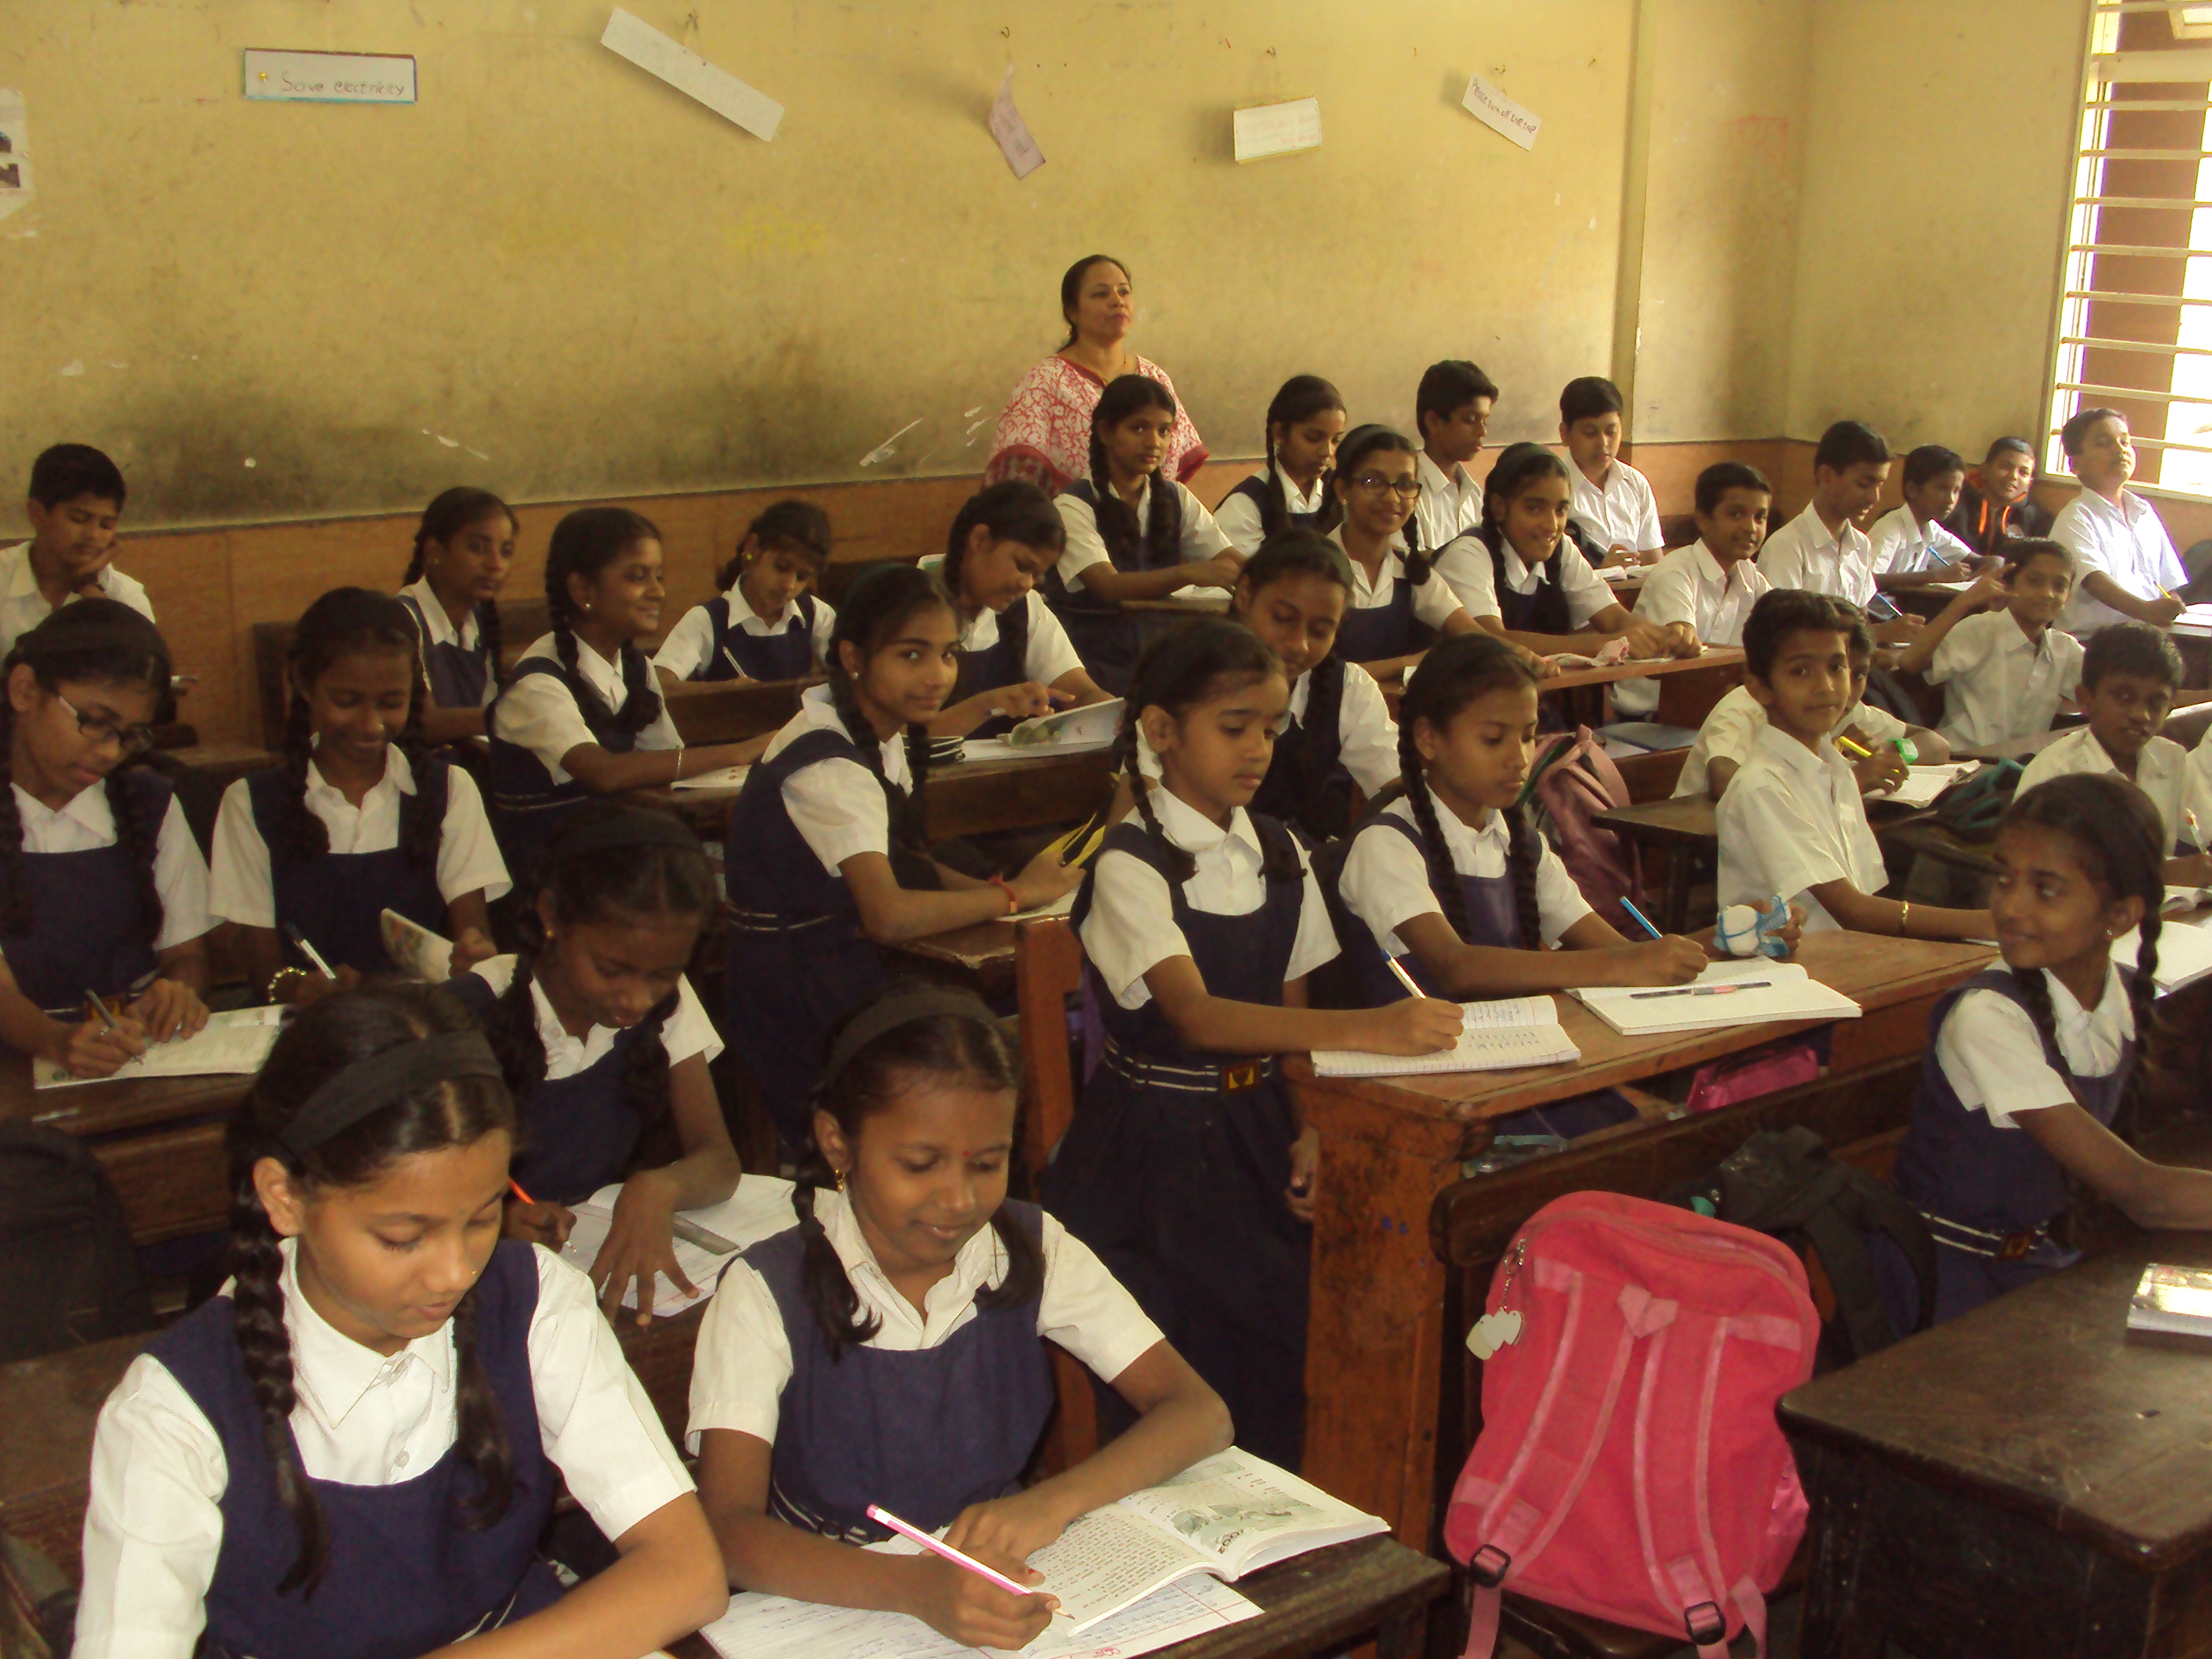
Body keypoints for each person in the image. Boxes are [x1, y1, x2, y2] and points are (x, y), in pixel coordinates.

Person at [71, 985, 726, 1659]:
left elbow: (686, 1572)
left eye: (482, 1219)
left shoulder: (534, 1304)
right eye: (402, 1238)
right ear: (285, 1197)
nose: (454, 1273)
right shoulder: (174, 1409)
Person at [689, 984, 1232, 1652]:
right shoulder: (765, 1291)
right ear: (837, 1143)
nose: (958, 1199)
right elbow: (727, 1531)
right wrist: (917, 1589)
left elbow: (1200, 1413)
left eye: (987, 1164)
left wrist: (1051, 1502)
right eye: (921, 1165)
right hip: (832, 1601)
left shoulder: (1031, 1248)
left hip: (996, 1579)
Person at [1042, 621, 1464, 1469]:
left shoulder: (1280, 850)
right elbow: (1197, 1017)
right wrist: (1374, 1029)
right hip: (1151, 1157)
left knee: (1298, 1346)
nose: (1258, 750)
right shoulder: (1130, 863)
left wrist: (1313, 1125)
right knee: (1191, 1358)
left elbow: (1288, 1014)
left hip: (1259, 1128)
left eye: (1270, 728)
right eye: (1234, 727)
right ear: (1161, 731)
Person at [722, 565, 1081, 1151]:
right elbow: (887, 914)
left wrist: (1005, 898)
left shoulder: (878, 734)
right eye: (912, 655)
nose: (938, 675)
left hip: (849, 964)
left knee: (1034, 995)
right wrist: (1019, 895)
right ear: (853, 657)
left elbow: (908, 864)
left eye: (948, 654)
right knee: (995, 1039)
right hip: (801, 995)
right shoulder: (830, 763)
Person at [1881, 774, 2212, 1328]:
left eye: (2046, 889)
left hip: (2038, 1264)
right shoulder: (1987, 1018)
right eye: (2004, 878)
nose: (2010, 907)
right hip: (1944, 1288)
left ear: (2121, 916)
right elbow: (2140, 1192)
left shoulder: (2122, 998)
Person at [448, 805, 740, 1322]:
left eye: (662, 975)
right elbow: (404, 1194)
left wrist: (658, 1187)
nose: (637, 999)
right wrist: (494, 1222)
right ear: (550, 915)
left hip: (577, 1275)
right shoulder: (469, 1014)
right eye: (611, 970)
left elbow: (718, 1159)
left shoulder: (664, 998)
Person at [1333, 633, 1708, 1004]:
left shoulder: (1524, 844)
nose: (1520, 758)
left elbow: (1616, 950)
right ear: (1429, 739)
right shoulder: (1385, 844)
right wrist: (1627, 964)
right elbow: (1457, 969)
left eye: (1528, 736)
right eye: (1493, 739)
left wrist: (1706, 945)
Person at [211, 589, 507, 1004]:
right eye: (347, 702)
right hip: (309, 1029)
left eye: (391, 703)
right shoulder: (251, 803)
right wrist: (300, 986)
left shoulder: (450, 791)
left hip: (421, 1022)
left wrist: (473, 958)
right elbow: (266, 977)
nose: (370, 725)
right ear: (304, 685)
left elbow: (472, 935)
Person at [0, 601, 210, 1077]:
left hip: (133, 1064)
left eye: (131, 735)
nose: (111, 752)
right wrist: (56, 1040)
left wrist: (177, 994)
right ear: (25, 690)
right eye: (95, 722)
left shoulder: (150, 805)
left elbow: (187, 955)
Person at [486, 507, 759, 873]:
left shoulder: (636, 668)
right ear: (583, 590)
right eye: (637, 577)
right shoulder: (537, 684)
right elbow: (604, 772)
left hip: (619, 861)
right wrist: (742, 751)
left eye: (659, 576)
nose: (658, 592)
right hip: (558, 880)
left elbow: (665, 760)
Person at [1716, 589, 1990, 937]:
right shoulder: (1763, 787)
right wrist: (1988, 924)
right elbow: (1852, 911)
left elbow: (1866, 893)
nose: (1826, 687)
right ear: (1760, 689)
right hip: (1794, 962)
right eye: (1801, 671)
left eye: (1837, 667)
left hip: (1851, 949)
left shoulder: (1836, 767)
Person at [1044, 374, 1240, 694]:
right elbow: (1109, 586)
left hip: (1162, 654)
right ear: (1105, 432)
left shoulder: (1176, 497)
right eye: (1138, 429)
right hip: (1094, 660)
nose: (1154, 442)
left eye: (1164, 431)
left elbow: (1230, 559)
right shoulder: (1072, 505)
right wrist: (1188, 573)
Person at [1224, 531, 1401, 842]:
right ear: (1245, 595)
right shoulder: (1189, 675)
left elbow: (1397, 787)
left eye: (1320, 631)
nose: (1299, 645)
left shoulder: (1347, 688)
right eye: (1283, 618)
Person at [982, 255, 1207, 495]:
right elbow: (1016, 477)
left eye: (1124, 292)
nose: (1118, 301)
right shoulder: (1044, 383)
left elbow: (1172, 467)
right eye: (1101, 294)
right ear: (1073, 311)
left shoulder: (1154, 378)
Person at [1678, 606, 1950, 800]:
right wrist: (1851, 781)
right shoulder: (1747, 706)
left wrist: (1892, 751)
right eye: (1806, 671)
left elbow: (1937, 745)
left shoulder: (1847, 710)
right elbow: (1724, 782)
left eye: (1856, 675)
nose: (1838, 688)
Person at [1436, 441, 1674, 661]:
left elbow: (1615, 619)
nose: (1552, 525)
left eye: (1561, 510)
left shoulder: (1561, 549)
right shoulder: (1469, 553)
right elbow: (1491, 641)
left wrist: (1668, 639)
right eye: (1534, 509)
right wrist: (1606, 643)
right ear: (1499, 507)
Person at [2016, 622, 2212, 883]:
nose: (2141, 715)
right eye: (2124, 697)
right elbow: (2041, 874)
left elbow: (2201, 829)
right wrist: (2160, 874)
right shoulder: (2057, 772)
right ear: (2086, 699)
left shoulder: (2170, 759)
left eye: (2156, 703)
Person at [930, 480, 1110, 739]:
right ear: (980, 540)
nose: (1027, 584)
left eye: (1036, 576)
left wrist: (1116, 716)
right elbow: (901, 735)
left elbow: (1080, 695)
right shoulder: (914, 610)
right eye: (1022, 566)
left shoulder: (1026, 609)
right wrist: (986, 706)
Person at [1322, 424, 1481, 684]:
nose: (1392, 498)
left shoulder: (1410, 569)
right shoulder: (1314, 568)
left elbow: (1473, 636)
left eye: (1405, 485)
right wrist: (1410, 662)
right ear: (1342, 490)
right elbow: (1311, 676)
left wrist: (1521, 655)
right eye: (1373, 482)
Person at [1618, 461, 1774, 717]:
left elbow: (1782, 629)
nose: (1751, 528)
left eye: (1760, 517)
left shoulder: (1751, 576)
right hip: (1654, 717)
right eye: (1736, 515)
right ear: (1703, 520)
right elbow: (1685, 645)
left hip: (1713, 709)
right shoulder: (1676, 571)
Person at [1758, 421, 1919, 647]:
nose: (1874, 498)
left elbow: (1861, 623)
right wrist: (1879, 634)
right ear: (1827, 476)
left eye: (1880, 486)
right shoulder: (1786, 547)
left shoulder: (1861, 545)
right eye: (1864, 484)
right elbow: (1786, 639)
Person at [1919, 538, 2083, 752]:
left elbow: (2098, 690)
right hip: (1961, 756)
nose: (2048, 594)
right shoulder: (1981, 629)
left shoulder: (2065, 649)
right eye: (2034, 581)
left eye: (2060, 586)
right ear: (2007, 584)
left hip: (2018, 764)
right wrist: (1964, 602)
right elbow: (1914, 664)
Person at [653, 500, 836, 685]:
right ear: (752, 548)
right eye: (781, 567)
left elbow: (846, 675)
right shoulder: (706, 620)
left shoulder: (817, 614)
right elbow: (660, 685)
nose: (789, 585)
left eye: (802, 577)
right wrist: (724, 690)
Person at [0, 444, 153, 659]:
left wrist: (88, 585)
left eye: (106, 525)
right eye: (79, 519)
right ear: (37, 513)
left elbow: (140, 669)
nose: (93, 535)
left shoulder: (124, 595)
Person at [2051, 407, 2190, 637]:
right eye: (2103, 443)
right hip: (2093, 641)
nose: (2120, 449)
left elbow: (2167, 584)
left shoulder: (2144, 513)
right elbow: (2094, 581)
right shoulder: (2076, 517)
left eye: (2125, 442)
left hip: (2146, 635)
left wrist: (2171, 607)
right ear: (2075, 464)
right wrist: (2146, 611)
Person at [396, 486, 514, 743]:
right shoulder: (403, 620)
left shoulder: (480, 621)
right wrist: (519, 716)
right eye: (477, 548)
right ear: (434, 551)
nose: (496, 565)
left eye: (505, 552)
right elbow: (423, 722)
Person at [1212, 375, 1347, 557]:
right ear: (1279, 433)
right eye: (1313, 438)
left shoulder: (1342, 495)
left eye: (1335, 440)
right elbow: (1241, 572)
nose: (1327, 451)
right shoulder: (1245, 504)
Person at [1558, 376, 1663, 568]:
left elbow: (1653, 562)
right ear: (1565, 434)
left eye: (1611, 432)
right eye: (1590, 433)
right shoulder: (1553, 487)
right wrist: (1602, 571)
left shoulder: (1635, 482)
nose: (1603, 443)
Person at [1869, 445, 1994, 588]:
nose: (1951, 499)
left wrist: (1989, 566)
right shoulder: (1889, 530)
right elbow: (1868, 581)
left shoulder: (1932, 529)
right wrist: (1933, 576)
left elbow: (1981, 560)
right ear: (1913, 490)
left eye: (1956, 491)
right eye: (1942, 488)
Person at [1411, 360, 1496, 553]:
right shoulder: (1410, 496)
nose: (1482, 431)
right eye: (1471, 419)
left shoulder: (1475, 496)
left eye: (1485, 421)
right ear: (1434, 422)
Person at [1946, 436, 2053, 556]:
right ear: (1985, 470)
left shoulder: (2036, 519)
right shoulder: (1954, 504)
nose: (2014, 476)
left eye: (2023, 472)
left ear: (2030, 483)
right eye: (2006, 467)